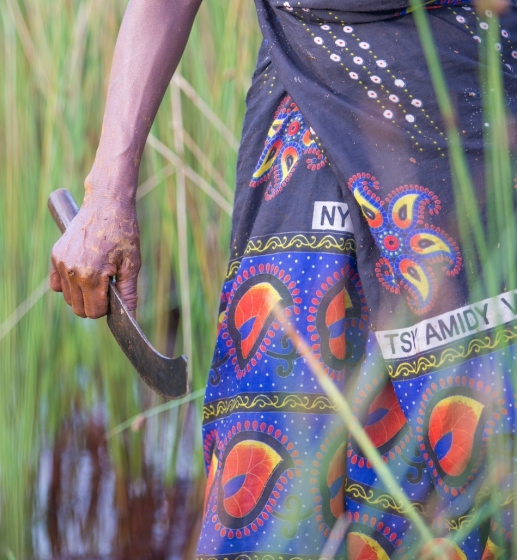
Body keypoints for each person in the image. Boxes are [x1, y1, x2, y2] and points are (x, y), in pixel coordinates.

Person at [50, 0, 517, 557]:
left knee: (480, 466)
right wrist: (107, 193)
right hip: (304, 117)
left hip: (469, 114)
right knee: (272, 460)